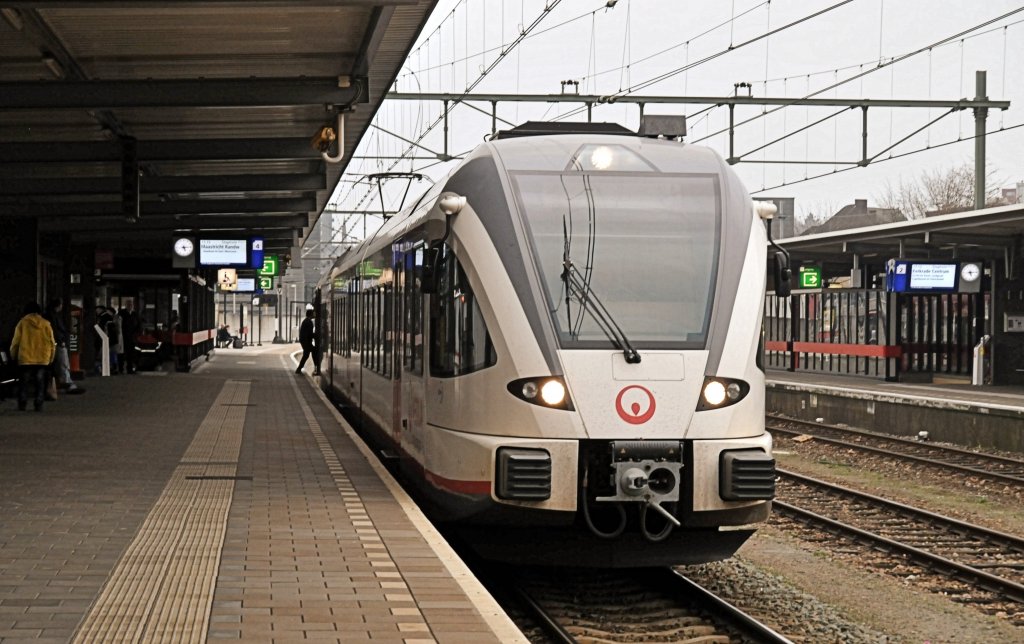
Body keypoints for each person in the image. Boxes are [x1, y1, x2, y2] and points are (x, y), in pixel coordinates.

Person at [11, 302, 56, 412]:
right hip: (42, 358)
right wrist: (51, 358)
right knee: (40, 382)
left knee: (24, 382)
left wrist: (14, 355)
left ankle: (22, 403)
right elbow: (52, 342)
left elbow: (15, 342)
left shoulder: (22, 323)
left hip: (25, 358)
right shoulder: (46, 324)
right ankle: (38, 403)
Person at [45, 298, 83, 394]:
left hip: (56, 342)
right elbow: (55, 330)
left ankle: (65, 382)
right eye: (61, 304)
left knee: (61, 364)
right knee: (63, 363)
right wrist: (60, 340)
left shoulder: (50, 315)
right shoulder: (53, 316)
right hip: (58, 342)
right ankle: (67, 383)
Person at [295, 309, 320, 375]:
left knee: (306, 355)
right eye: (313, 313)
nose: (314, 314)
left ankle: (299, 368)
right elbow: (309, 333)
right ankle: (316, 367)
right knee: (312, 352)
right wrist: (315, 335)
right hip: (306, 341)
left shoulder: (306, 321)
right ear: (311, 314)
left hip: (305, 341)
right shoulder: (309, 322)